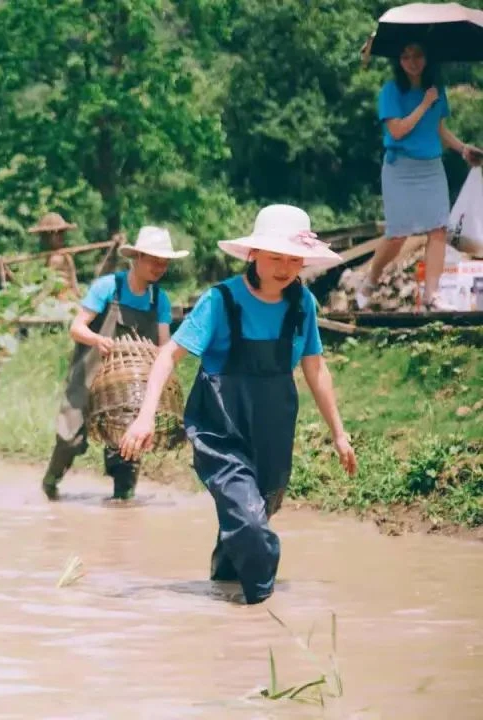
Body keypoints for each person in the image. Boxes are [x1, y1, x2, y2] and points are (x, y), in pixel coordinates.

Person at [119, 205, 358, 605]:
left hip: (272, 430)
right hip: (220, 429)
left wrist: (339, 434)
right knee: (251, 524)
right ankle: (262, 615)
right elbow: (168, 356)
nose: (285, 267)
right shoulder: (220, 300)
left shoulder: (303, 306)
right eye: (275, 257)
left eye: (293, 259)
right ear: (253, 255)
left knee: (253, 515)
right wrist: (144, 417)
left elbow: (316, 370)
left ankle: (226, 592)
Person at [41, 226, 187, 502]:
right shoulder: (109, 287)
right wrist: (97, 340)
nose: (160, 267)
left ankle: (124, 499)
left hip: (130, 383)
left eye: (164, 262)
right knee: (68, 438)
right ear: (138, 257)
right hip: (89, 373)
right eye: (154, 260)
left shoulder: (160, 299)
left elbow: (163, 344)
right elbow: (77, 327)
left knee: (128, 447)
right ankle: (50, 484)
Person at [357, 41, 483, 312]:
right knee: (397, 233)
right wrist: (425, 103)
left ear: (427, 58)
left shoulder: (437, 91)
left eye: (417, 55)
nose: (412, 62)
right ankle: (371, 279)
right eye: (405, 56)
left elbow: (438, 129)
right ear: (398, 61)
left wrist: (462, 149)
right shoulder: (391, 91)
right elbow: (398, 131)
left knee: (438, 229)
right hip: (400, 168)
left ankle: (432, 295)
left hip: (431, 167)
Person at [29, 212, 80, 299]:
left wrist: (34, 302)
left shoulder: (56, 259)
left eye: (61, 233)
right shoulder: (63, 255)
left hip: (62, 299)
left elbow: (49, 287)